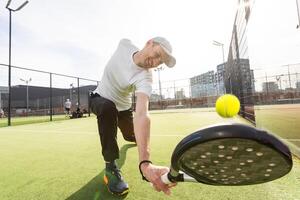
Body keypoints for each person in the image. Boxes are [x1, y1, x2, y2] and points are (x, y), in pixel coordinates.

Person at [90, 37, 177, 196]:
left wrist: (145, 162)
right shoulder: (124, 43)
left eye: (160, 61)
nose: (156, 62)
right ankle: (110, 168)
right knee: (107, 108)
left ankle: (133, 138)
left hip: (123, 109)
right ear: (149, 43)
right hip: (99, 98)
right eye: (157, 54)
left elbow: (142, 113)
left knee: (131, 136)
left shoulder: (146, 77)